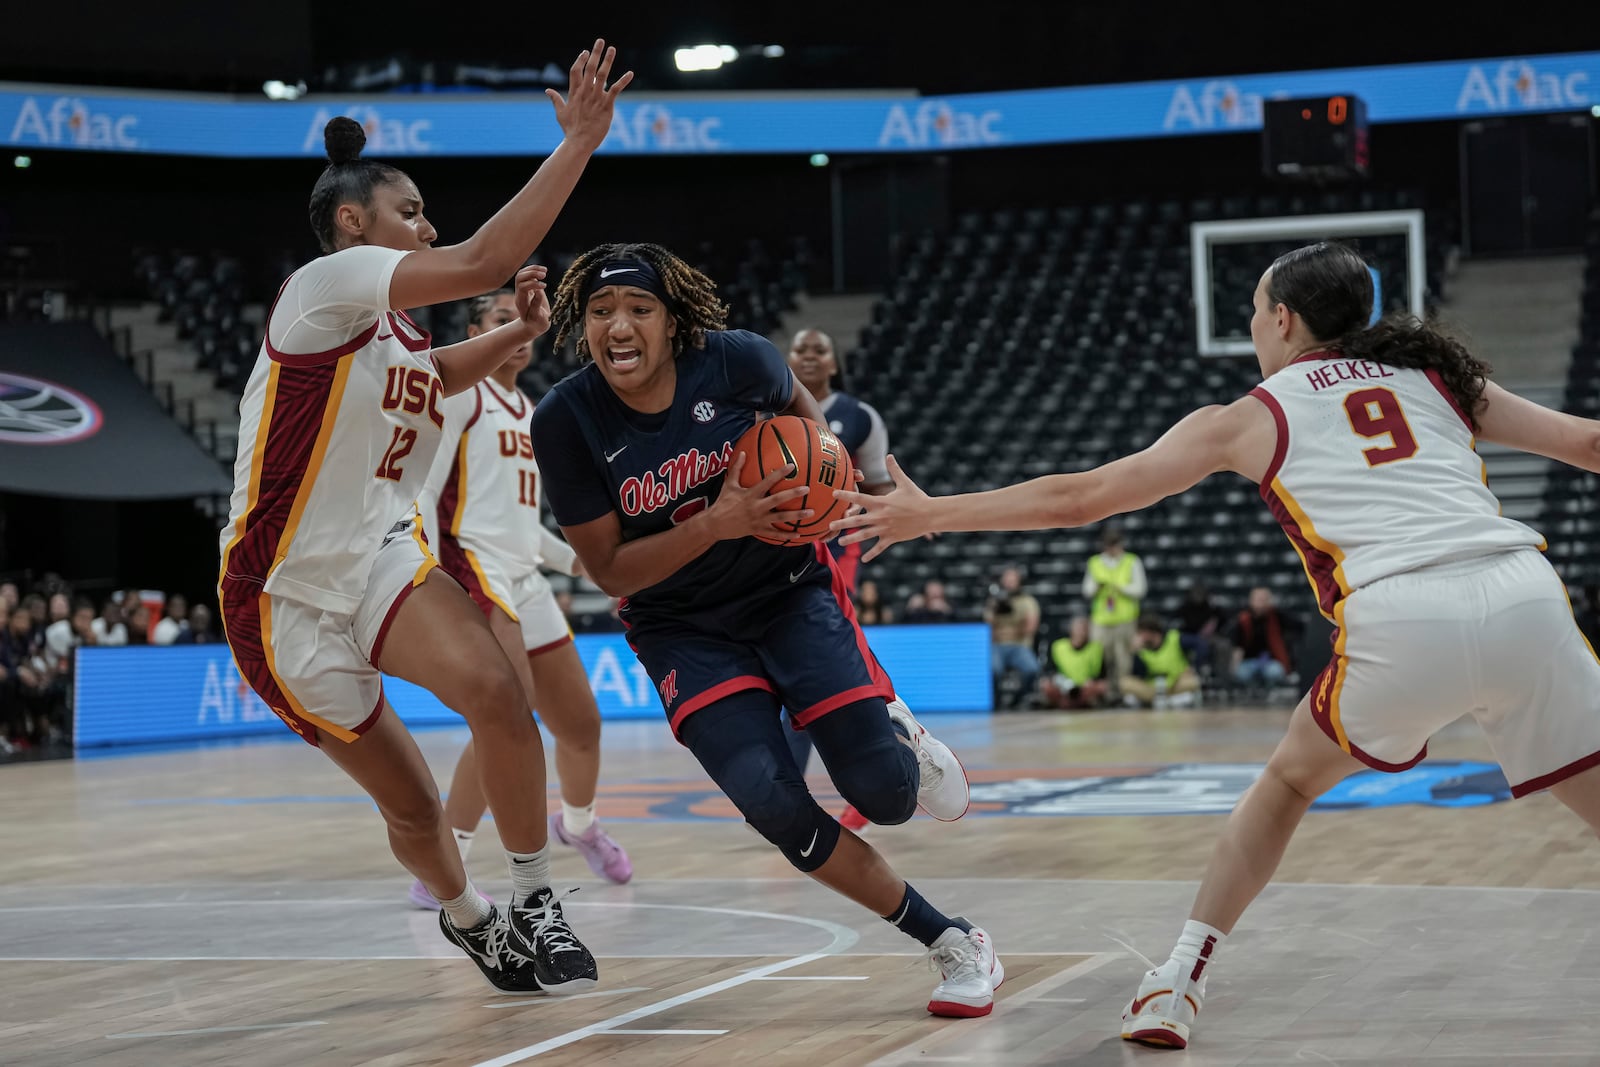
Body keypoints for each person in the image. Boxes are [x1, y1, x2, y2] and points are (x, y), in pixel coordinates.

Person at [833, 240, 1600, 1049]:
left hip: (1403, 614)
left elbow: (1082, 498)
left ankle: (1175, 982)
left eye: (1254, 311)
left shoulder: (1250, 414)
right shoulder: (1440, 377)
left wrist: (932, 512)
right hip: (1523, 594)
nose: (1251, 326)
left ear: (1283, 318)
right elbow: (1588, 444)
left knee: (1286, 786)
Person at [216, 41, 630, 997]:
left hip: (379, 558)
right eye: (411, 212)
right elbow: (485, 255)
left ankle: (534, 897)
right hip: (281, 592)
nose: (428, 225)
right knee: (412, 810)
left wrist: (518, 333)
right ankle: (470, 917)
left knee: (494, 687)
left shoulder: (397, 327)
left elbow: (431, 377)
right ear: (353, 224)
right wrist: (577, 144)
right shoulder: (321, 291)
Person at [531, 241, 1002, 1018]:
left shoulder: (740, 360)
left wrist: (818, 484)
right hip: (678, 625)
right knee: (773, 802)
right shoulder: (566, 419)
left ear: (673, 320)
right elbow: (610, 570)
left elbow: (814, 433)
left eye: (638, 309)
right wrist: (719, 520)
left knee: (884, 798)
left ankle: (901, 737)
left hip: (786, 588)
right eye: (601, 312)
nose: (618, 325)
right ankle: (951, 940)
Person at [410, 286, 633, 909]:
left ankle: (580, 826)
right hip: (470, 564)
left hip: (523, 575)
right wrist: (422, 564)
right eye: (501, 319)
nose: (518, 329)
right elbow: (422, 489)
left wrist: (588, 565)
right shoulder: (461, 393)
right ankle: (441, 864)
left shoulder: (529, 409)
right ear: (475, 330)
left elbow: (525, 525)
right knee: (509, 712)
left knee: (581, 724)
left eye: (523, 321)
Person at [1081, 528, 1146, 698]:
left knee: (1123, 658)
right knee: (1102, 658)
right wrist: (1097, 587)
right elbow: (1087, 590)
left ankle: (1124, 693)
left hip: (1125, 618)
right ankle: (1106, 693)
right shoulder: (1094, 562)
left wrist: (1121, 588)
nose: (1111, 550)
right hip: (1101, 619)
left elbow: (1140, 589)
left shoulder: (1132, 561)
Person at [985, 565, 1041, 709]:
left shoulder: (1028, 601)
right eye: (1007, 580)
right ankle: (996, 702)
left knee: (1031, 669)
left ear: (1019, 581)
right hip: (997, 646)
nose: (1009, 583)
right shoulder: (993, 602)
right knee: (993, 669)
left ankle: (1019, 700)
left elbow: (1030, 627)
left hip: (1020, 645)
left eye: (1013, 580)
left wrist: (1007, 631)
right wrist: (996, 608)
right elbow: (988, 628)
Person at [1121, 614, 1201, 709]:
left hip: (1175, 685)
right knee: (1124, 683)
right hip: (1153, 688)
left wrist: (1193, 666)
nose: (1140, 636)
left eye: (1142, 632)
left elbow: (1201, 644)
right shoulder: (1141, 649)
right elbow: (1139, 673)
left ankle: (1169, 699)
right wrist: (1135, 653)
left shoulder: (1174, 638)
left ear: (1151, 632)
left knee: (1193, 681)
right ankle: (1167, 700)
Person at [1227, 586, 1299, 689]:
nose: (1261, 603)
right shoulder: (1243, 620)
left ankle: (1272, 691)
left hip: (1270, 662)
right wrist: (1233, 669)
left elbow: (1297, 626)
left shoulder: (1277, 617)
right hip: (1249, 662)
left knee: (1275, 672)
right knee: (1242, 673)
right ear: (1251, 601)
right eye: (1258, 599)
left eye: (1264, 599)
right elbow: (1238, 648)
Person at [1039, 614, 1108, 710]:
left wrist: (1092, 681)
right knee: (1046, 685)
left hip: (1085, 686)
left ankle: (1074, 703)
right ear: (1071, 629)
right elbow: (1050, 669)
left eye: (1084, 628)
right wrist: (1058, 681)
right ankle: (1068, 702)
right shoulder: (1059, 646)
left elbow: (1102, 674)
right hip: (1064, 685)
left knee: (1101, 687)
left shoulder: (1096, 648)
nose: (1081, 632)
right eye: (1078, 628)